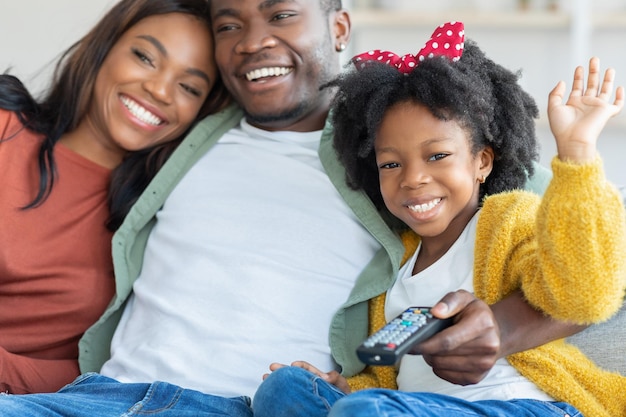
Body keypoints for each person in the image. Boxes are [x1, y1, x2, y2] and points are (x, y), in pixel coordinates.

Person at [0, 1, 594, 415]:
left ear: (339, 27)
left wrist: (502, 330)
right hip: (97, 398)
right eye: (229, 24)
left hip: (248, 402)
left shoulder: (397, 146)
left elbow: (595, 257)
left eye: (282, 14)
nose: (253, 39)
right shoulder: (185, 134)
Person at [252, 22, 626, 417]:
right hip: (413, 409)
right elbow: (392, 382)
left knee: (363, 411)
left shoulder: (507, 222)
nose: (412, 178)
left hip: (520, 407)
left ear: (482, 161)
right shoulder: (395, 271)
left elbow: (582, 295)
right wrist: (345, 387)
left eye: (436, 156)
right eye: (391, 163)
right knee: (283, 390)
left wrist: (577, 154)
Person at [0, 0, 228, 394]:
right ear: (104, 48)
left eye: (189, 87)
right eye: (145, 57)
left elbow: (102, 369)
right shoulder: (5, 131)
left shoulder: (159, 222)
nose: (158, 90)